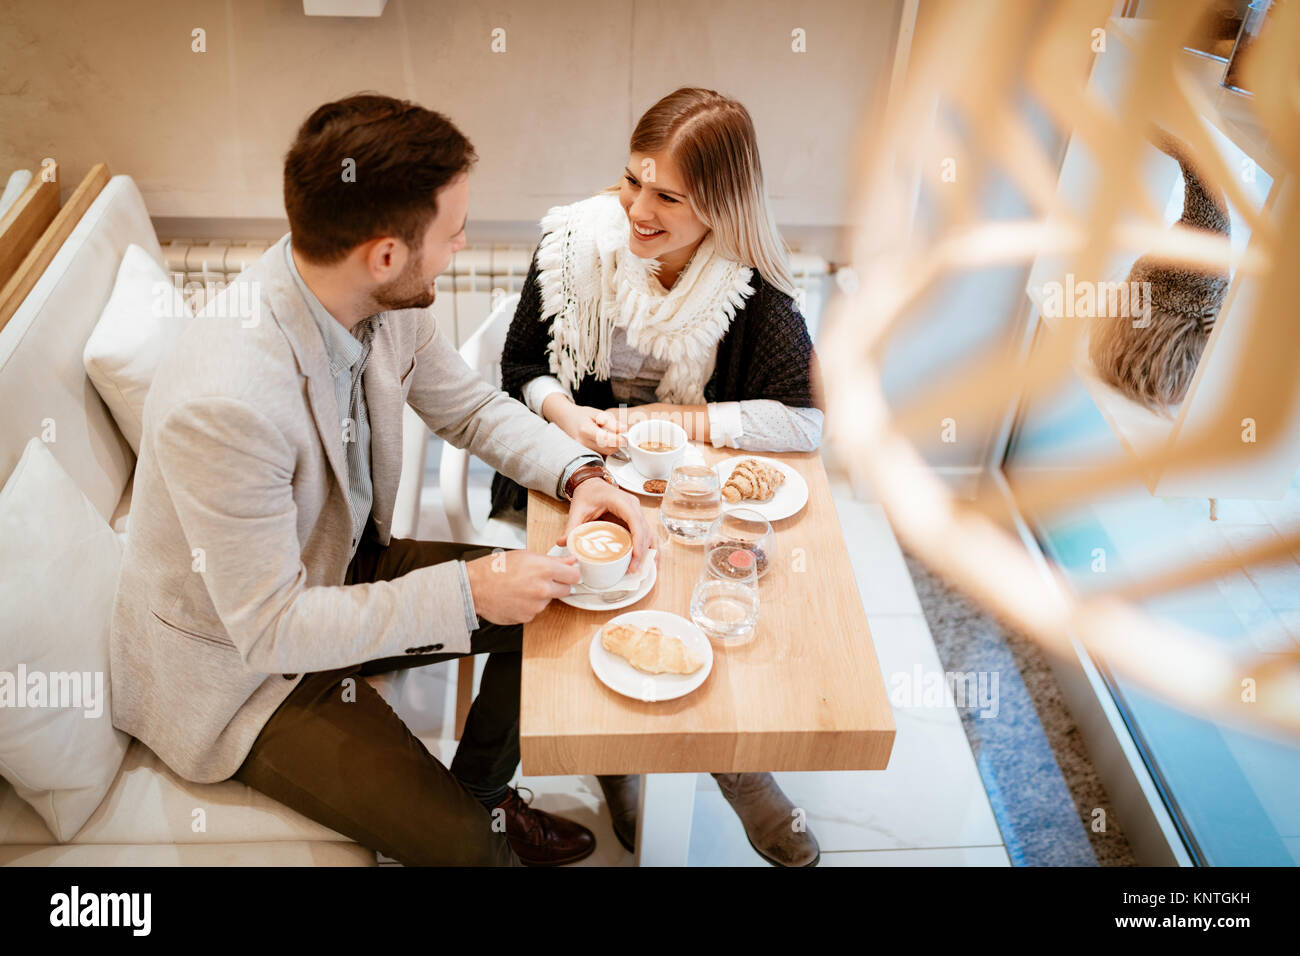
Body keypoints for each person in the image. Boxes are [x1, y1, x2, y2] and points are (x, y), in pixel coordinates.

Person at [109, 93, 652, 867]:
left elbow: (465, 407)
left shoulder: (371, 296)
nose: (463, 244)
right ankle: (479, 832)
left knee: (563, 602)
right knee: (471, 854)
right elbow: (271, 629)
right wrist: (469, 594)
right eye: (454, 231)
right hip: (245, 672)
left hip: (337, 568)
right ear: (387, 254)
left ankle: (486, 794)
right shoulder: (225, 402)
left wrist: (579, 472)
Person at [490, 88, 825, 867]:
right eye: (632, 180)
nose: (638, 208)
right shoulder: (577, 246)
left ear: (721, 205)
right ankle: (618, 761)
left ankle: (738, 770)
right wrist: (568, 415)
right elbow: (519, 371)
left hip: (685, 485)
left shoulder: (749, 286)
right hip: (571, 467)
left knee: (704, 605)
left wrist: (687, 424)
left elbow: (805, 422)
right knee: (600, 601)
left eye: (667, 196)